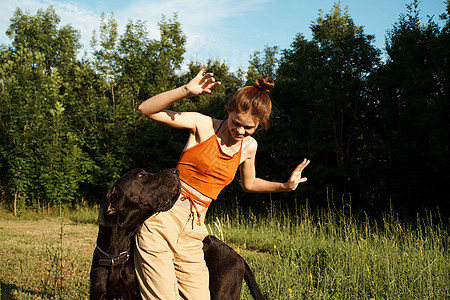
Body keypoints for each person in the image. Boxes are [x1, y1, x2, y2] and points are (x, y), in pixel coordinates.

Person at [134, 64, 310, 299]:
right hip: (162, 219)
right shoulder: (203, 125)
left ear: (259, 124)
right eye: (235, 122)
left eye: (249, 127)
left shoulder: (249, 147)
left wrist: (285, 187)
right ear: (229, 110)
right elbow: (146, 109)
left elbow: (250, 183)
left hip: (194, 231)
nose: (240, 130)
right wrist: (186, 90)